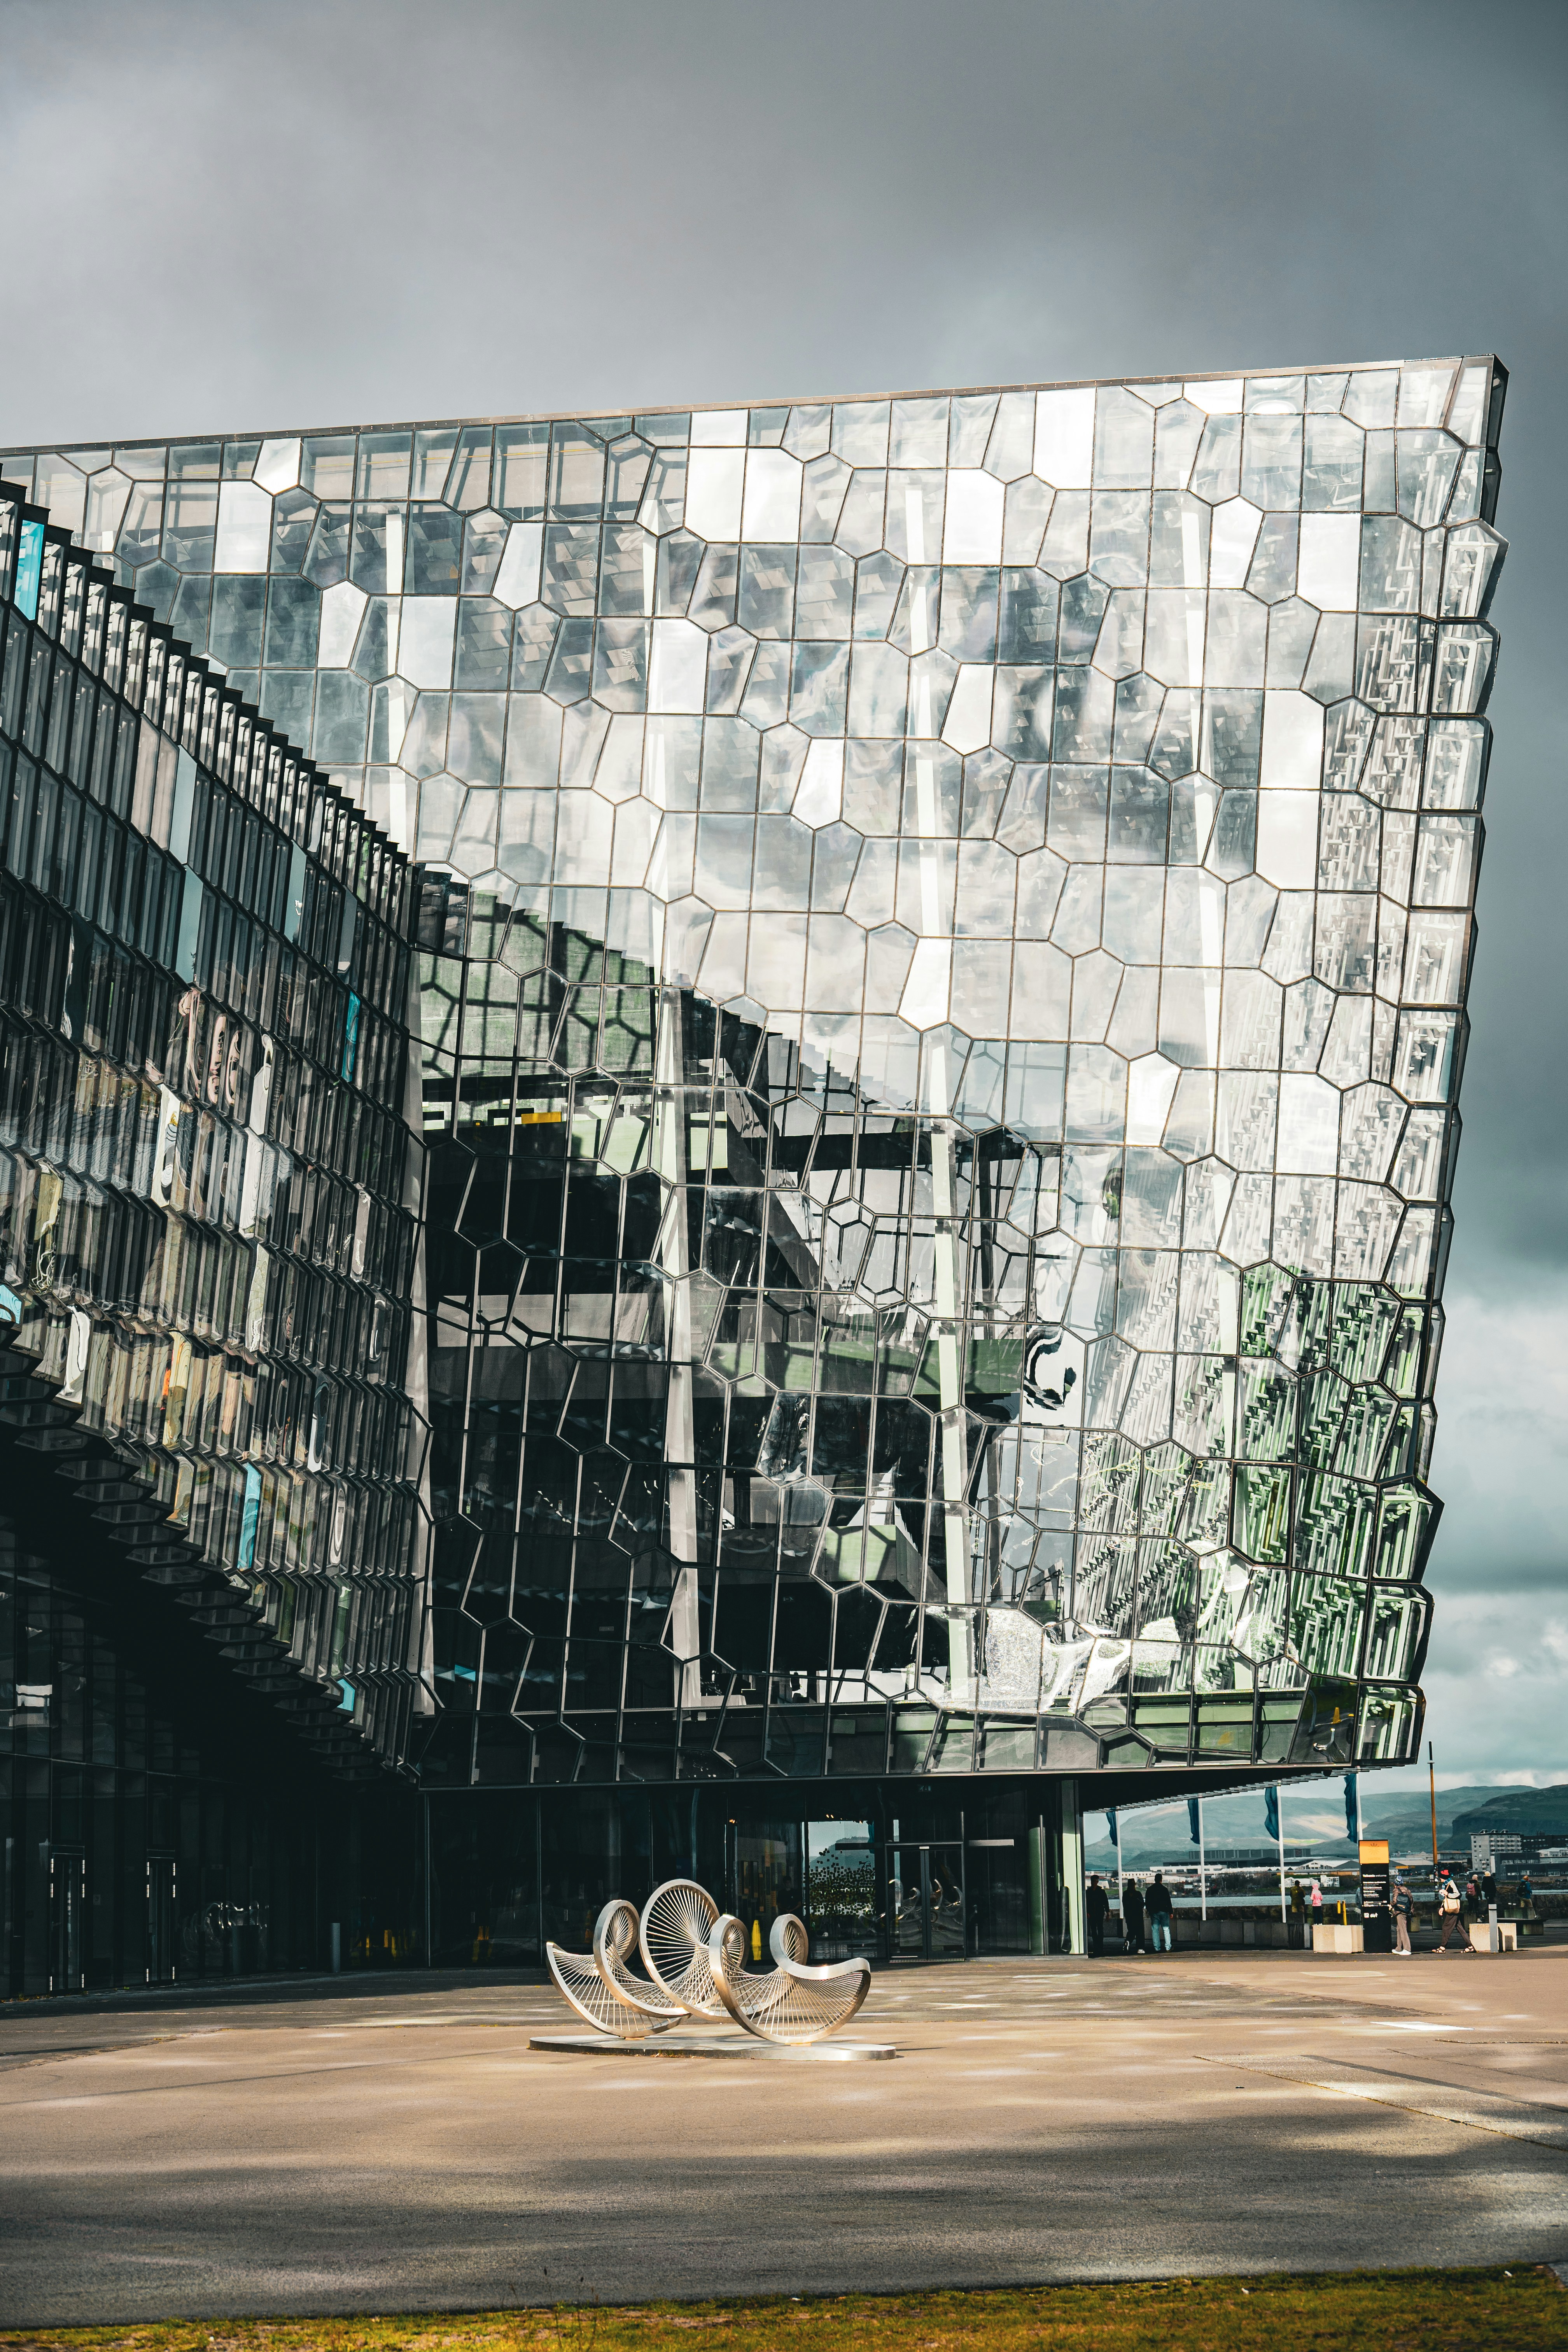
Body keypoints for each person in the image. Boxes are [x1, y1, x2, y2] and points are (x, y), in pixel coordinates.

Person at [1435, 1868, 1470, 1954]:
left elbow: (1458, 1894)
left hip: (1453, 1909)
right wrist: (1443, 1907)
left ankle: (1443, 1947)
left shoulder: (1451, 1884)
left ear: (1444, 1877)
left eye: (1441, 1877)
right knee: (1460, 1928)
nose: (1440, 1879)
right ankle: (1470, 1946)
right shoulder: (1447, 1884)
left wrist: (1447, 1894)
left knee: (1446, 1927)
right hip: (1452, 1908)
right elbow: (1447, 1899)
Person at [1146, 1871, 1174, 1953]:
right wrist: (1171, 1912)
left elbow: (1147, 1901)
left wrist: (1149, 1910)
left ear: (1155, 1880)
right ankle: (1168, 1947)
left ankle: (1157, 1948)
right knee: (1166, 1929)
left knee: (1155, 1930)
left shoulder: (1150, 1889)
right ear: (1161, 1880)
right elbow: (1168, 1901)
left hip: (1154, 1912)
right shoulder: (1164, 1889)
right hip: (1164, 1912)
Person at [1085, 1873, 1110, 1957]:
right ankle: (1096, 1947)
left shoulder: (1101, 1892)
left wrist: (1108, 1912)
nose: (1094, 1883)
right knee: (1094, 1931)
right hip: (1092, 1914)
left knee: (1100, 1930)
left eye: (1096, 1881)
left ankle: (1100, 1947)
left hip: (1100, 1913)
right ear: (1091, 1882)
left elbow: (1106, 1902)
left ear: (1098, 1882)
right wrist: (1087, 1912)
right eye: (1093, 1881)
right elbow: (1087, 1904)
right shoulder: (1088, 1892)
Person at [1121, 1876, 1145, 1955]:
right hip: (1138, 1916)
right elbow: (1142, 1904)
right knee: (1140, 1933)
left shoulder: (1125, 1894)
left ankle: (1128, 1941)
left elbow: (1124, 1905)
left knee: (1131, 1931)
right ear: (1135, 1885)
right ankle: (1140, 1948)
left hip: (1129, 1916)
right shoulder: (1138, 1894)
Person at [1392, 1874, 1413, 1957]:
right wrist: (1412, 1911)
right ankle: (1399, 1948)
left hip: (1400, 1912)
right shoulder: (1407, 1890)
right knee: (1399, 1929)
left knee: (1403, 1930)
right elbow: (1411, 1901)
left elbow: (1394, 1901)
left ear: (1395, 1884)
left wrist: (1390, 1905)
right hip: (1406, 1912)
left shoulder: (1396, 1890)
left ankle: (1407, 1949)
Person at [1307, 1879, 1324, 1944]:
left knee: (1315, 1914)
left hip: (1315, 1905)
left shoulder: (1313, 1892)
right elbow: (1322, 1899)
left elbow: (1312, 1898)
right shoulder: (1319, 1892)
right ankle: (1321, 1923)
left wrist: (1310, 1897)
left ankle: (1316, 1923)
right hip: (1319, 1904)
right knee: (1320, 1914)